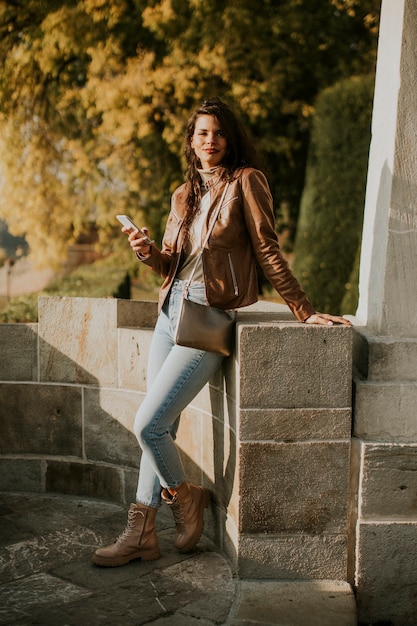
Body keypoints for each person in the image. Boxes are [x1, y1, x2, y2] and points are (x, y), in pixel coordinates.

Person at [92, 97, 351, 567]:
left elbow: (267, 250)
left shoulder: (247, 182)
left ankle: (183, 496)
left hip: (209, 318)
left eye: (218, 133)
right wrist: (147, 251)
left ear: (230, 139)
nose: (209, 141)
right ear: (191, 142)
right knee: (161, 424)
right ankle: (141, 532)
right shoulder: (182, 194)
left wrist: (304, 310)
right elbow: (172, 261)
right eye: (201, 133)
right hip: (169, 314)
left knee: (147, 425)